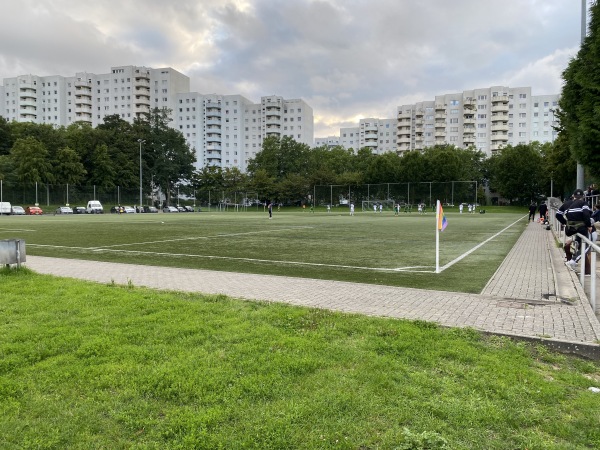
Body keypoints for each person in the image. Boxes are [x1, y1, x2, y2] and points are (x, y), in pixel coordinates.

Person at [556, 189, 593, 272]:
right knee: (588, 245)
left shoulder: (567, 204)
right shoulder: (583, 203)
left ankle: (573, 259)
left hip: (570, 229)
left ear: (573, 195)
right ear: (583, 196)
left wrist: (565, 223)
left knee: (578, 242)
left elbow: (558, 214)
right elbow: (586, 215)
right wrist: (589, 225)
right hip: (580, 227)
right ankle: (573, 261)